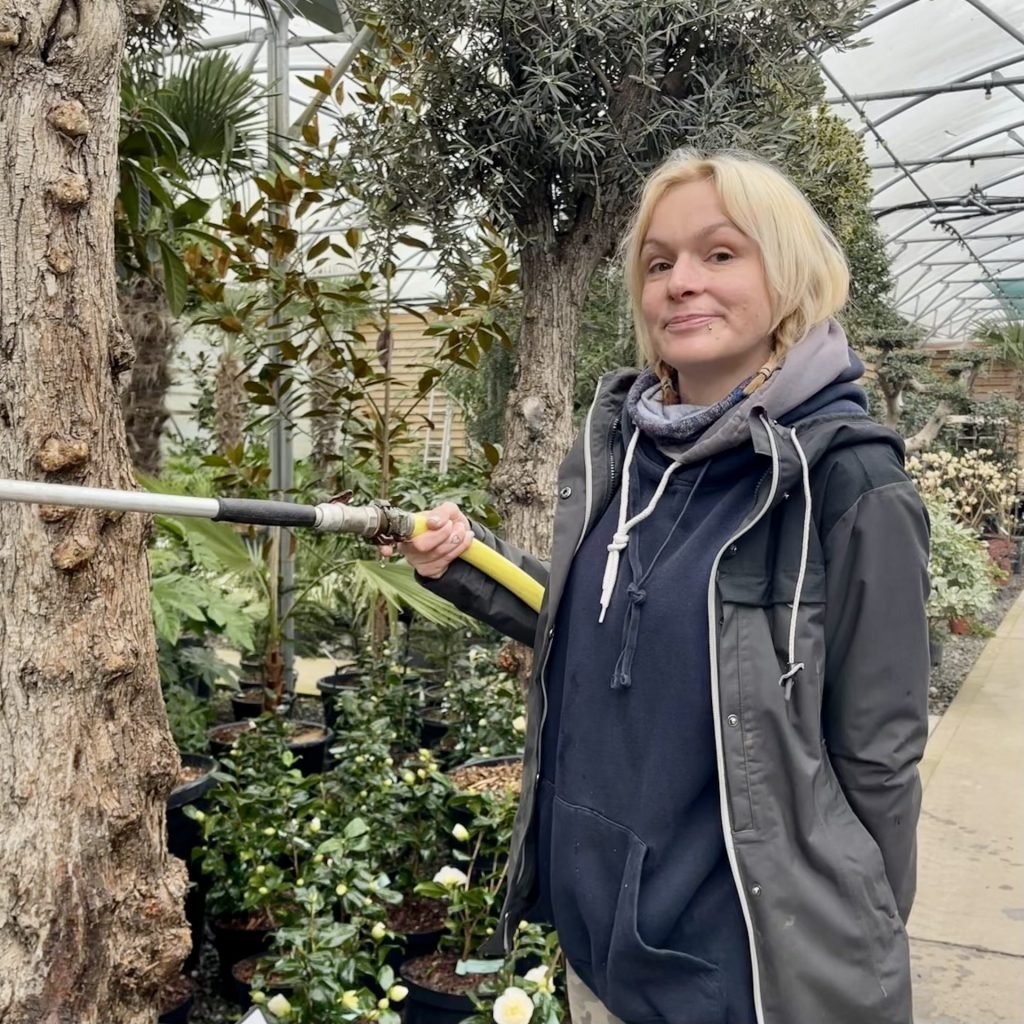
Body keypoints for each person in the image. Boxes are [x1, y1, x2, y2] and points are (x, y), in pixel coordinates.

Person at [384, 149, 930, 1024]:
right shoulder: (623, 455)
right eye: (658, 261)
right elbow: (594, 624)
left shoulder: (846, 482)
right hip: (599, 945)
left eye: (721, 253)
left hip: (735, 970)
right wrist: (465, 561)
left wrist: (852, 954)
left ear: (790, 273)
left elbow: (880, 755)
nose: (682, 282)